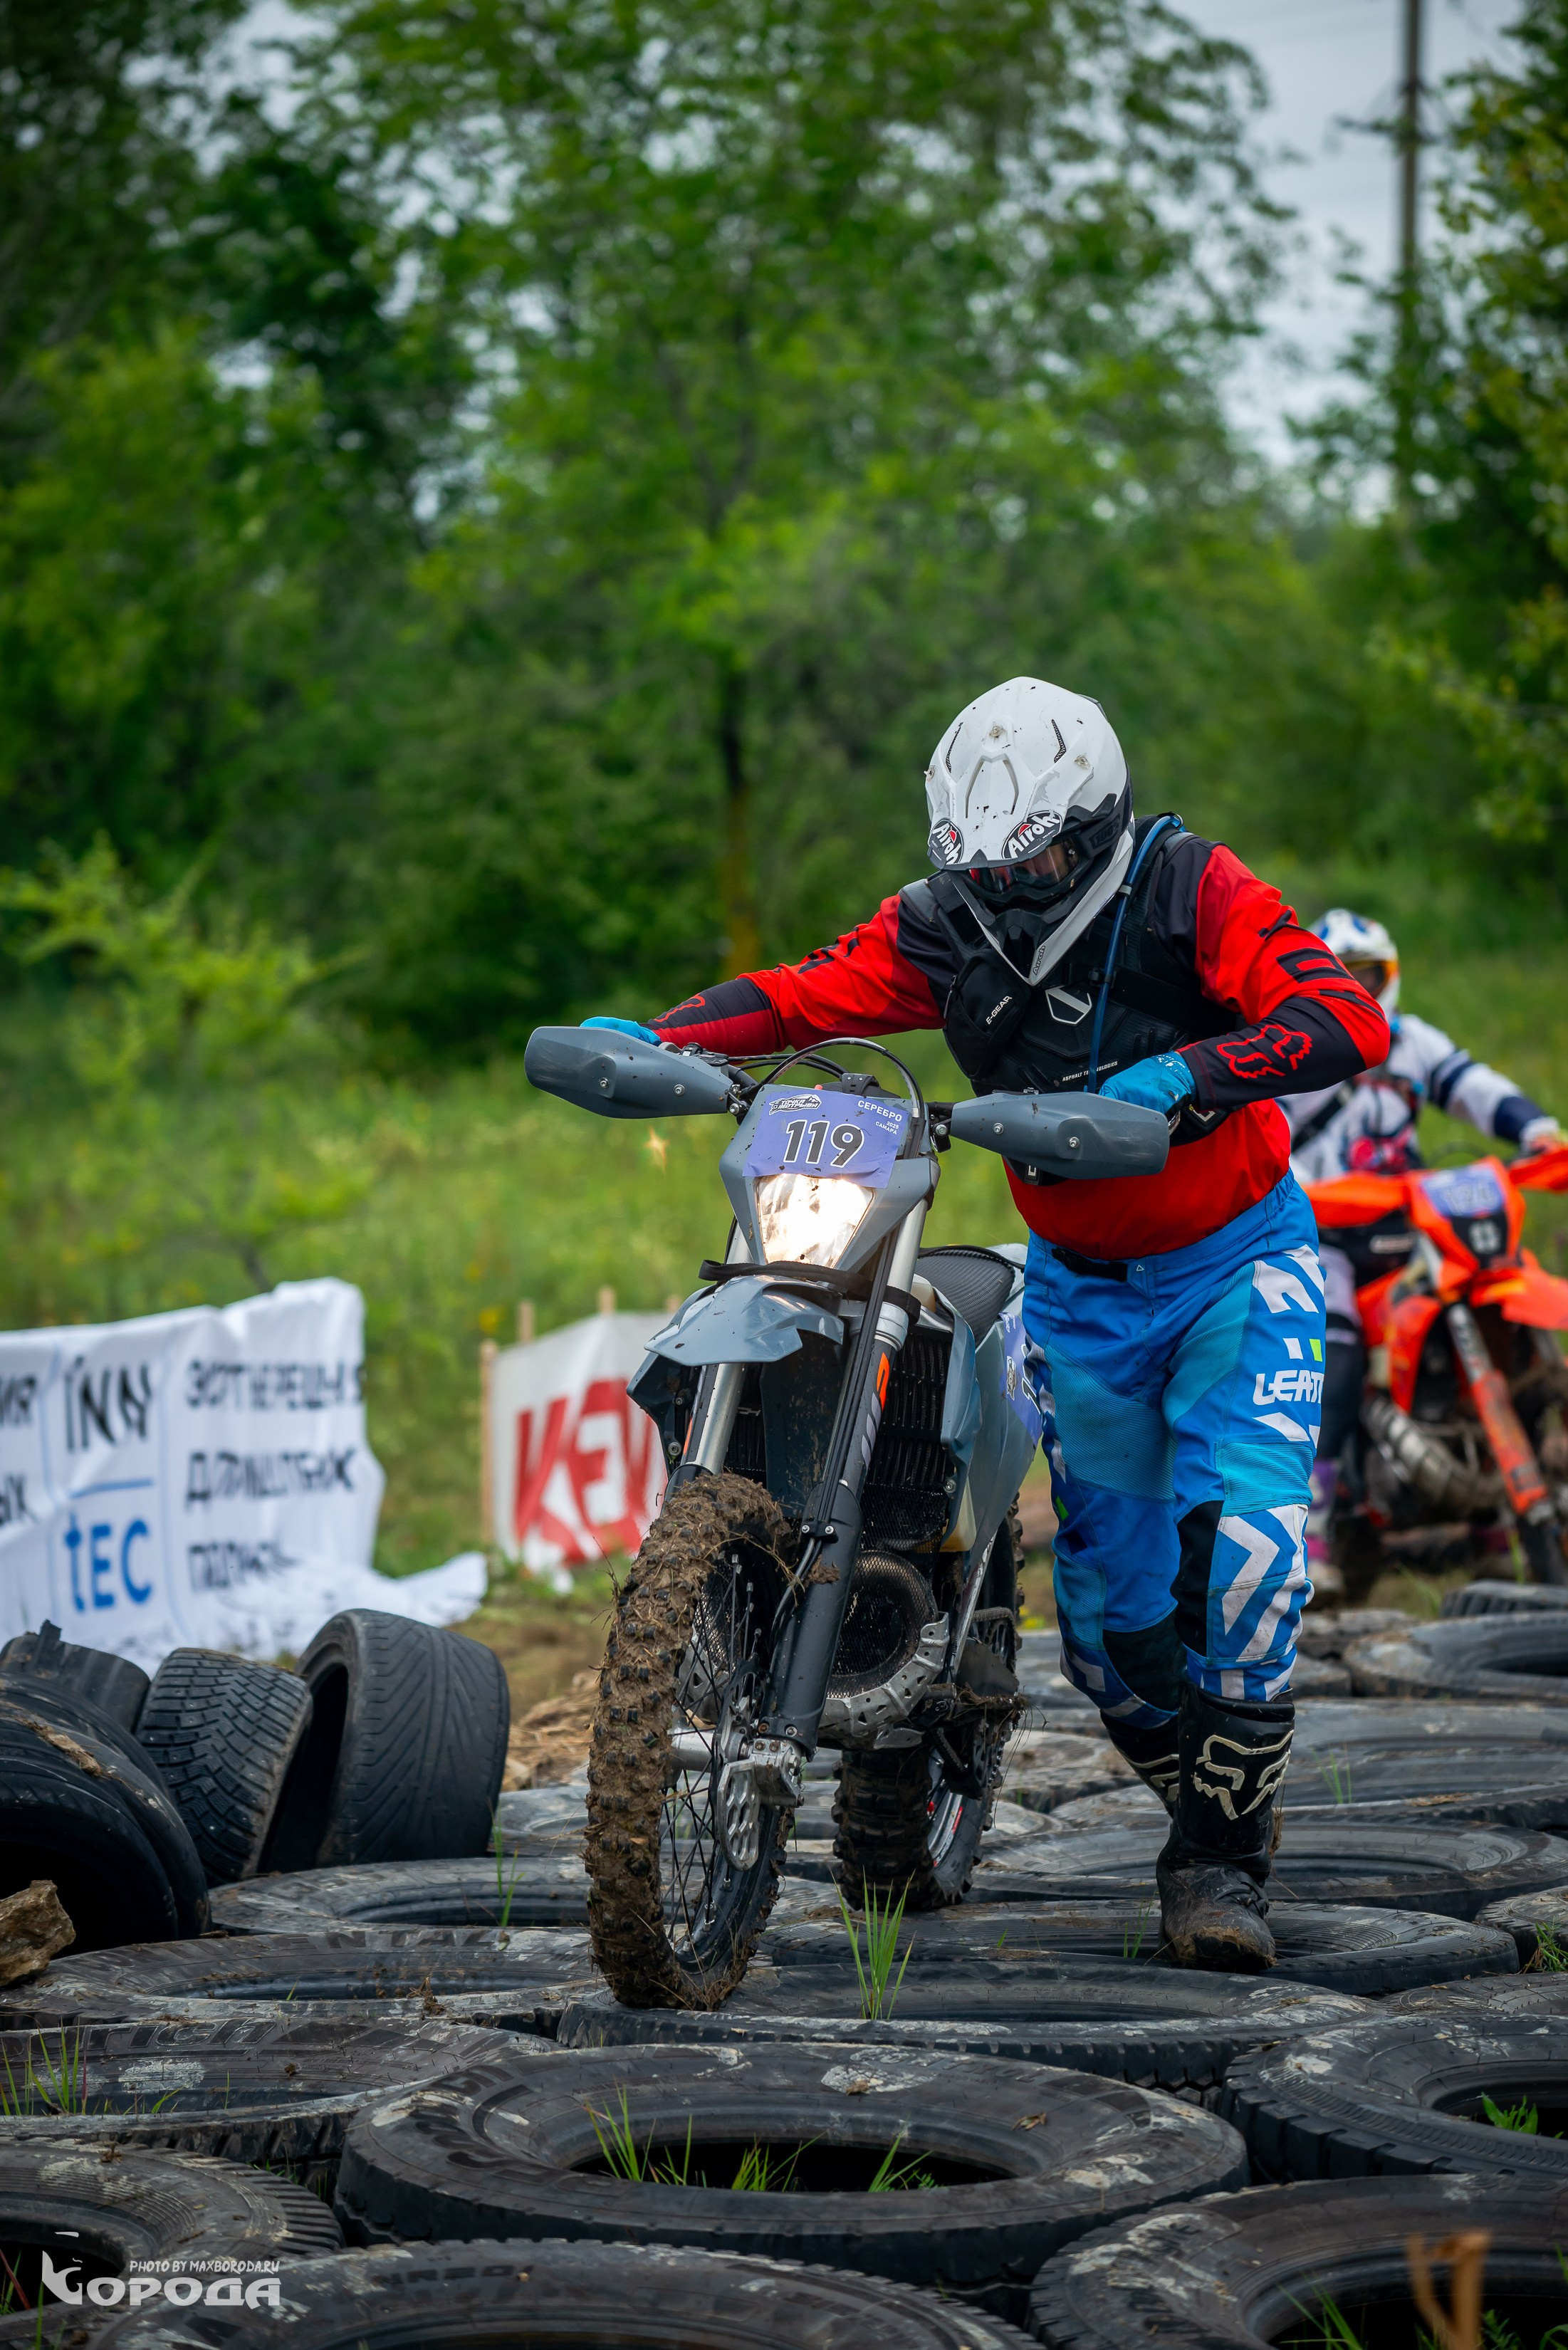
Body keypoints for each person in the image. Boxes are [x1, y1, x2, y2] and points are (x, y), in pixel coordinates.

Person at [587, 677, 1389, 1970]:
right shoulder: (945, 922)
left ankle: (1218, 1864)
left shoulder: (1193, 890)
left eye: (1035, 868)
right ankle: (1214, 1790)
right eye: (983, 874)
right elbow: (807, 995)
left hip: (1235, 1268)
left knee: (1241, 1565)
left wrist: (1190, 1075)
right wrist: (660, 1035)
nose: (1010, 896)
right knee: (1116, 1650)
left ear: (1095, 825)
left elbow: (1340, 1013)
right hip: (1077, 1286)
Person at [1286, 909, 1562, 1574]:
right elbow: (1258, 1129)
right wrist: (1284, 1184)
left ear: (1391, 978)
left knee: (1502, 1304)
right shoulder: (1293, 1046)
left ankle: (1495, 1515)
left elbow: (1472, 1087)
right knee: (1335, 1342)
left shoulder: (1411, 1043)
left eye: (1369, 976)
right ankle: (1317, 1517)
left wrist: (1535, 1127)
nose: (1356, 988)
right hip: (1323, 1229)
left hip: (1411, 1221)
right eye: (1340, 975)